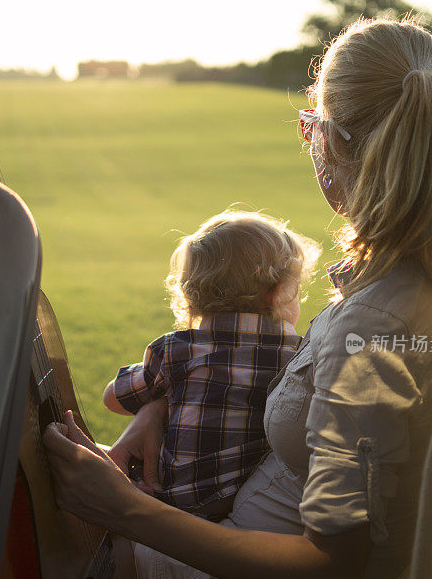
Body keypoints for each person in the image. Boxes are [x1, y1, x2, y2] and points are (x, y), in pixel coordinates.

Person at [44, 18, 432, 579]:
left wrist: (127, 511)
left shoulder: (373, 331)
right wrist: (160, 406)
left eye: (311, 124)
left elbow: (330, 569)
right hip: (254, 577)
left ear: (329, 140)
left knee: (33, 556)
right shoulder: (422, 276)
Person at [102, 210, 320, 520]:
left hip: (174, 500)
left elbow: (114, 399)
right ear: (278, 293)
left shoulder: (179, 349)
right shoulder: (298, 356)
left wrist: (159, 392)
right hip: (248, 504)